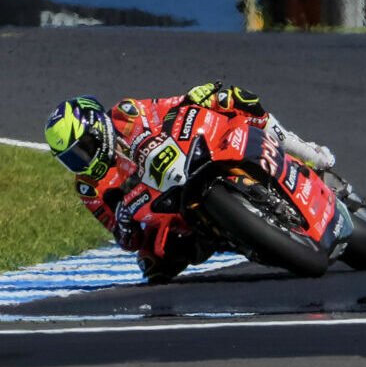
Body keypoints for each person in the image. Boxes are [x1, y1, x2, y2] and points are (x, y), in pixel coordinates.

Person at [42, 83, 338, 282]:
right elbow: (124, 239)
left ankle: (307, 152)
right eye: (71, 158)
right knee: (152, 267)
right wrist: (123, 224)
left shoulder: (125, 114)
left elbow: (170, 107)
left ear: (96, 128)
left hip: (189, 155)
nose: (82, 161)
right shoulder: (90, 187)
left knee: (236, 98)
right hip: (166, 208)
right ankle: (245, 235)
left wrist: (198, 96)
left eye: (83, 149)